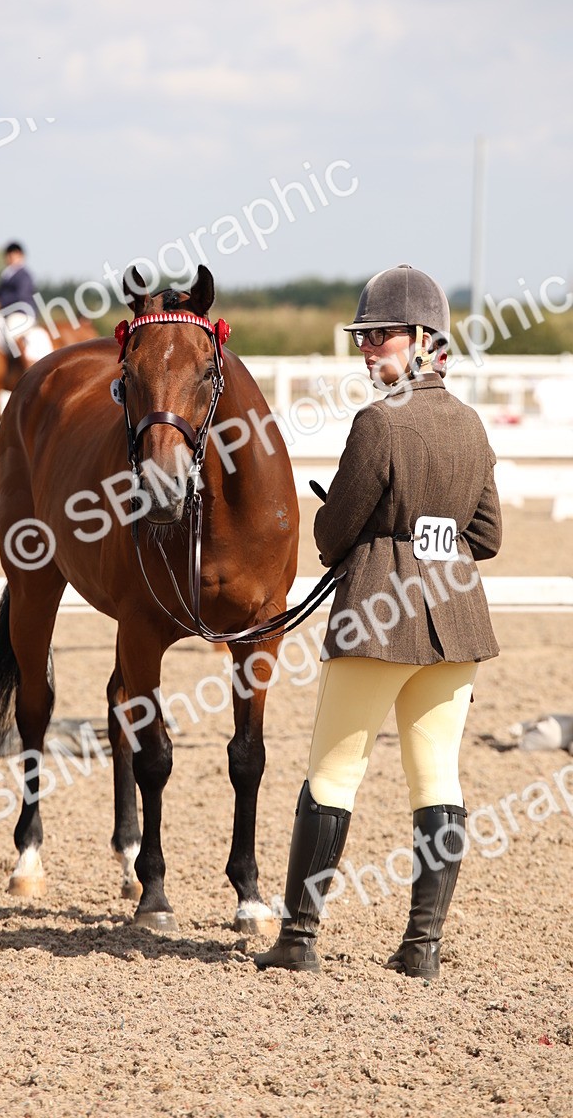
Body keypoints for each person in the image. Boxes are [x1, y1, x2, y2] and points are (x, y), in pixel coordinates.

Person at [255, 264, 502, 980]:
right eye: (363, 338)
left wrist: (366, 532)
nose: (369, 350)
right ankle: (420, 949)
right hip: (455, 621)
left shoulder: (377, 422)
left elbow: (332, 535)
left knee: (332, 775)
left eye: (381, 337)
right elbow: (485, 536)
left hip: (376, 616)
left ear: (424, 339)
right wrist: (431, 534)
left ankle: (299, 939)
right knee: (437, 779)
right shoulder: (472, 424)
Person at [0, 242, 53, 371]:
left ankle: (27, 367)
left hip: (22, 313)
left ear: (20, 256)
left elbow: (20, 295)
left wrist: (0, 303)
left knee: (11, 333)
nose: (9, 258)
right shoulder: (6, 274)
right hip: (7, 313)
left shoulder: (24, 275)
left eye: (12, 255)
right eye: (8, 255)